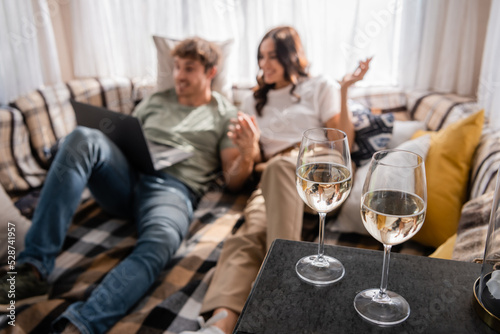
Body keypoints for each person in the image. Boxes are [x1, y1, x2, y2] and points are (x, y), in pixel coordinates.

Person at [0, 37, 258, 334]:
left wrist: (248, 153)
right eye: (176, 67)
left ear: (210, 73)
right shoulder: (156, 100)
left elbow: (234, 180)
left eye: (188, 69)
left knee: (160, 241)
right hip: (126, 176)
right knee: (82, 137)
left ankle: (79, 325)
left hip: (172, 188)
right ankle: (32, 269)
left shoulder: (224, 114)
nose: (179, 76)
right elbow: (124, 137)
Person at [180, 26, 371, 334]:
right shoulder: (251, 103)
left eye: (272, 56)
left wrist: (344, 90)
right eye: (260, 57)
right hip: (271, 175)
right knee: (248, 232)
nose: (264, 64)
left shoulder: (319, 85)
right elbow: (238, 178)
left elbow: (343, 137)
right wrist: (249, 151)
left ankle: (283, 297)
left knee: (281, 167)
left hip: (320, 164)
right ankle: (218, 325)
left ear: (290, 56)